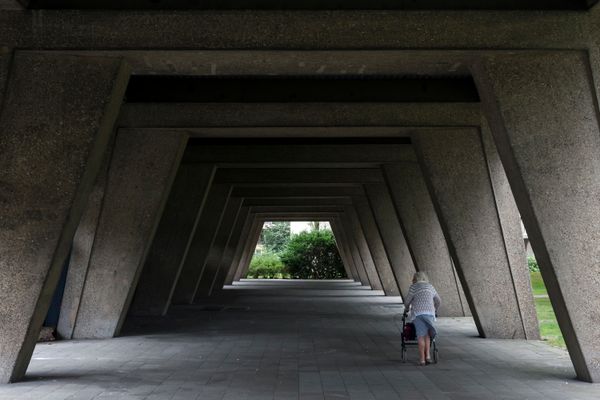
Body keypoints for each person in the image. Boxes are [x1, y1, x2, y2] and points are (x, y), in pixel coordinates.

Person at [404, 271, 441, 366]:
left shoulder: (413, 287)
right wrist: (435, 309)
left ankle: (422, 360)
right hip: (429, 313)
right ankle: (427, 356)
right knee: (427, 335)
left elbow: (407, 301)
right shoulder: (430, 286)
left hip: (418, 314)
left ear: (415, 279)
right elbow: (438, 300)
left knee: (420, 336)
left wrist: (407, 309)